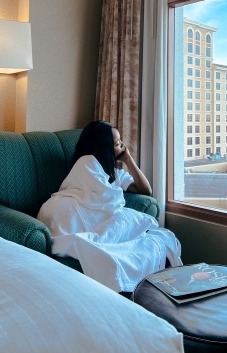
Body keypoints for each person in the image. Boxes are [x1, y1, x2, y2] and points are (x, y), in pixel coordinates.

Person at [37, 120, 182, 293]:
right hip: (65, 211)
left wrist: (128, 158)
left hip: (91, 214)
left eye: (120, 142)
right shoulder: (86, 162)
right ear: (103, 147)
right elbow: (105, 198)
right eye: (116, 143)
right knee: (130, 224)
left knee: (156, 234)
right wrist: (116, 191)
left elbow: (146, 189)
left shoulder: (114, 173)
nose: (121, 145)